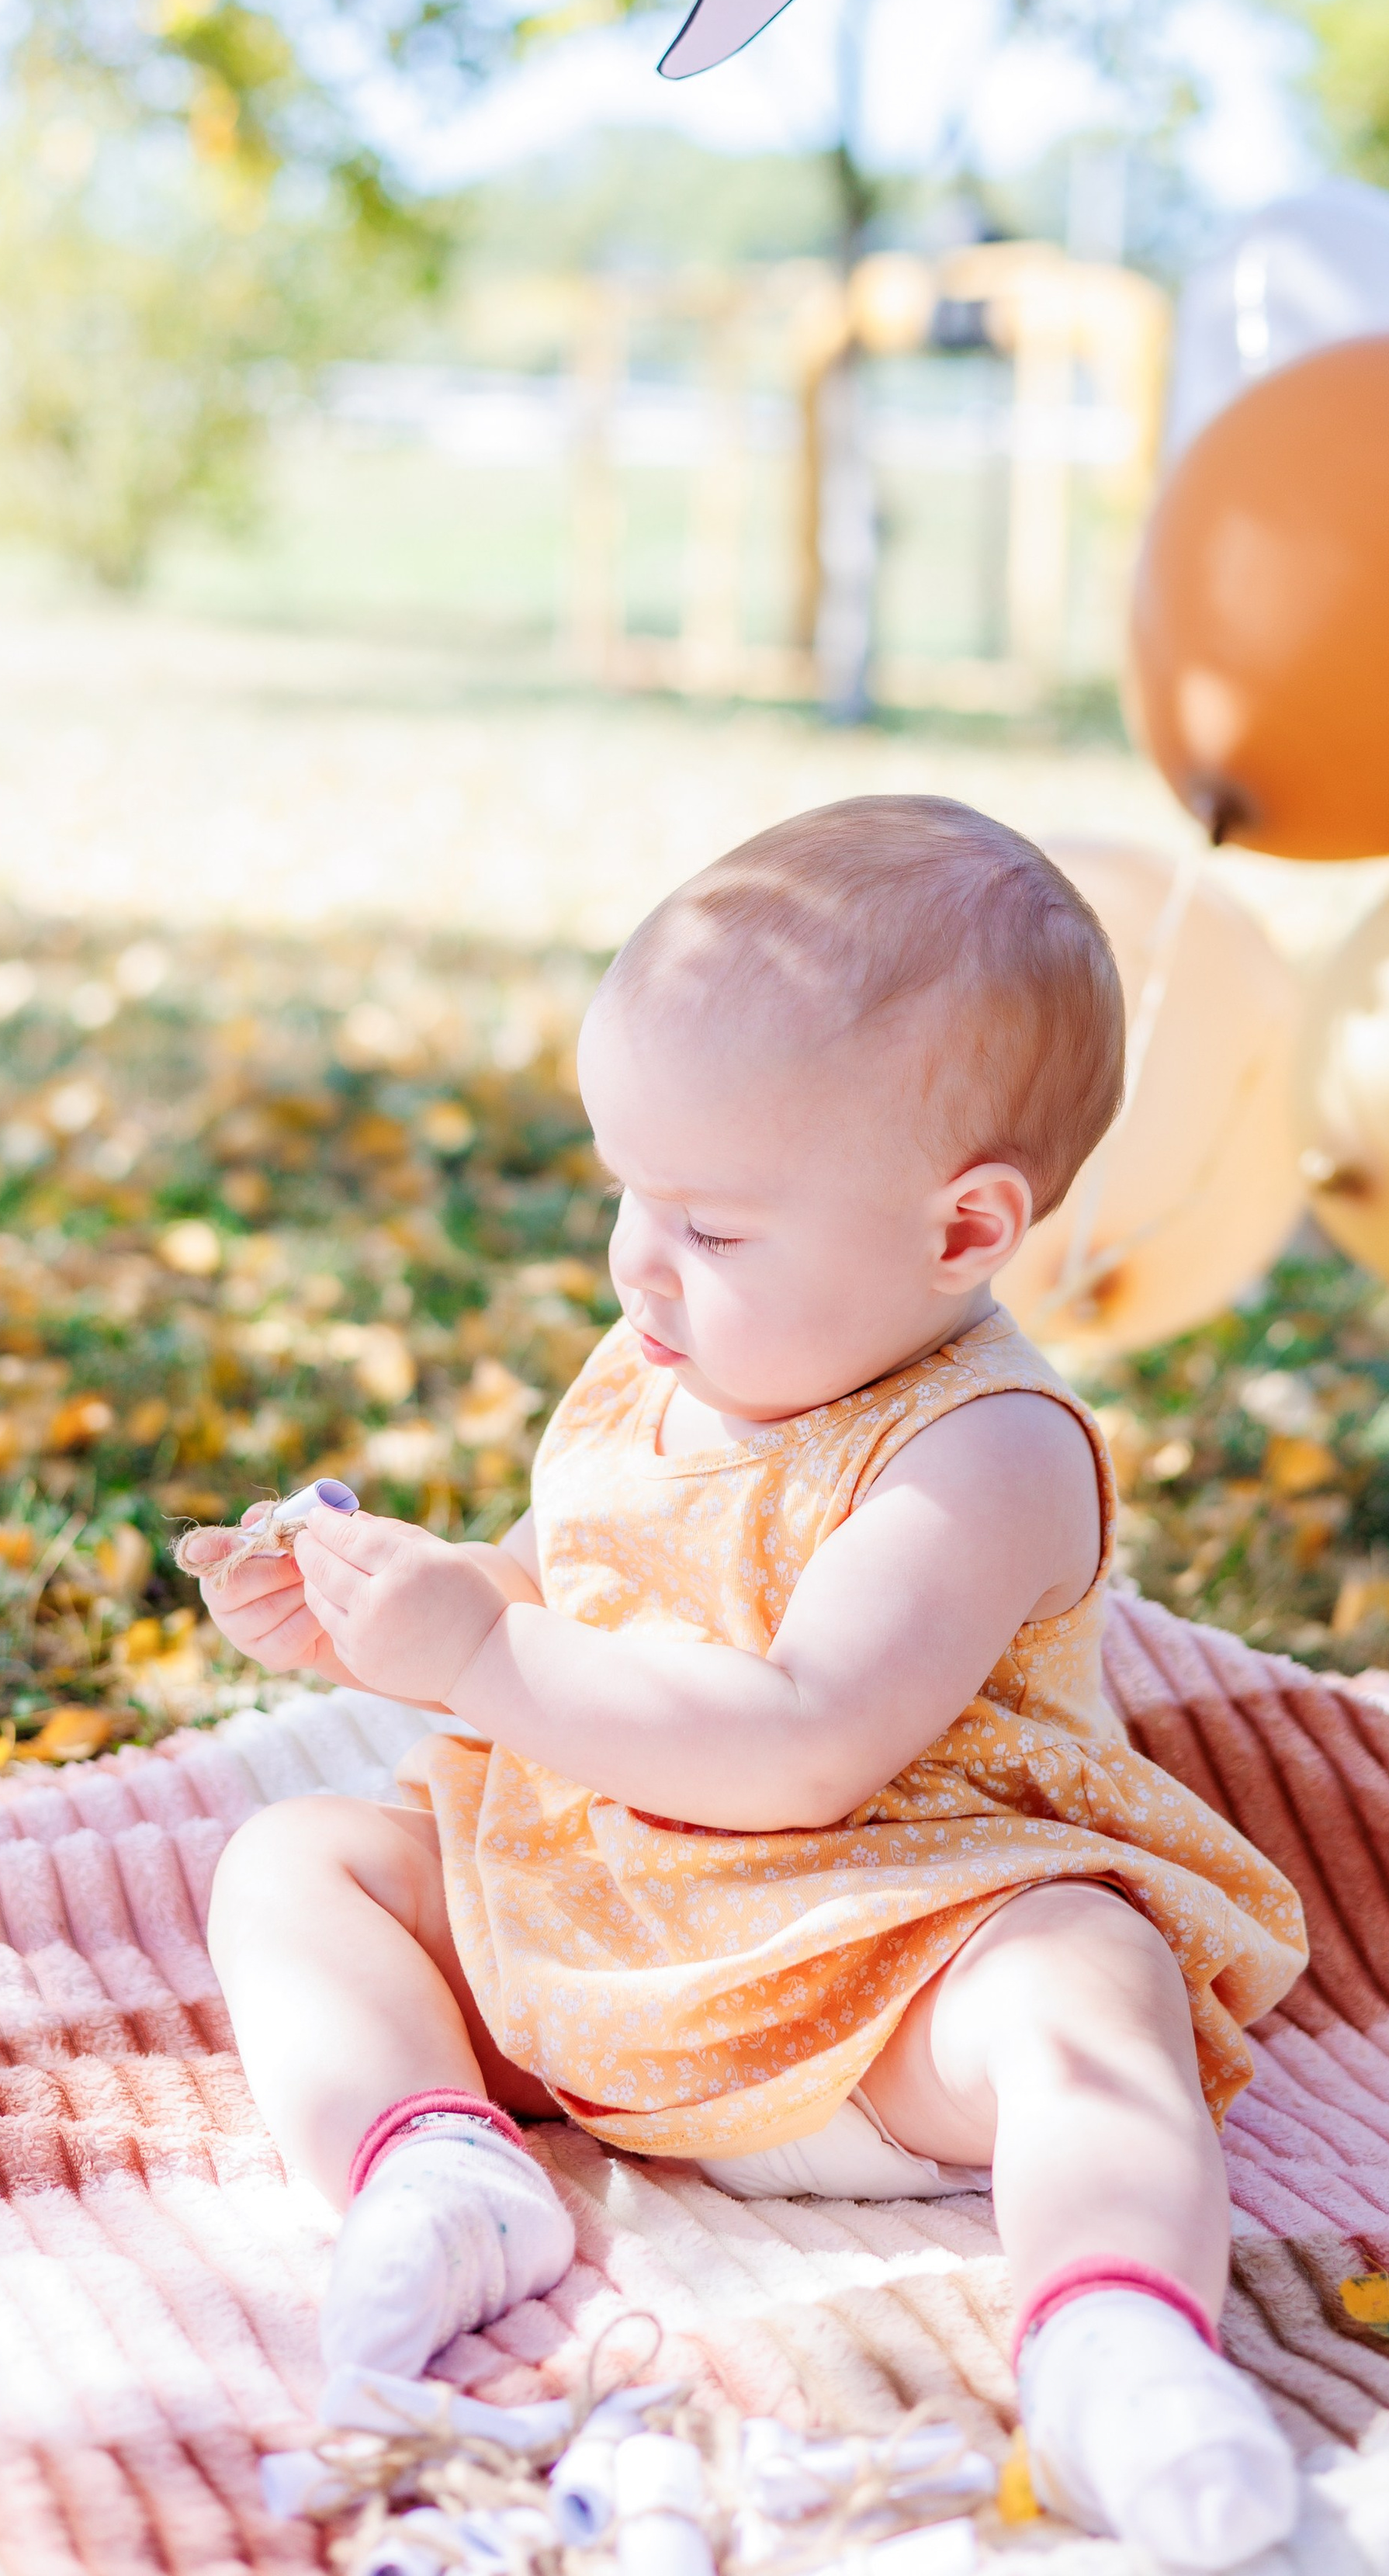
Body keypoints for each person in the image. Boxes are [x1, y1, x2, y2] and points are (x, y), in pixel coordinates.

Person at [188, 795, 1309, 2571]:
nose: (640, 1259)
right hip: (611, 1940)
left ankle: (1113, 2332)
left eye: (710, 1225)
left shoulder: (983, 1449)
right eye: (629, 1191)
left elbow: (804, 1745)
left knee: (1085, 1982)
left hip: (881, 1970)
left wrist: (481, 1655)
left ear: (961, 1233)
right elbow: (588, 1602)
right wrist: (408, 1606)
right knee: (294, 1862)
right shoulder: (659, 1362)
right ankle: (433, 2162)